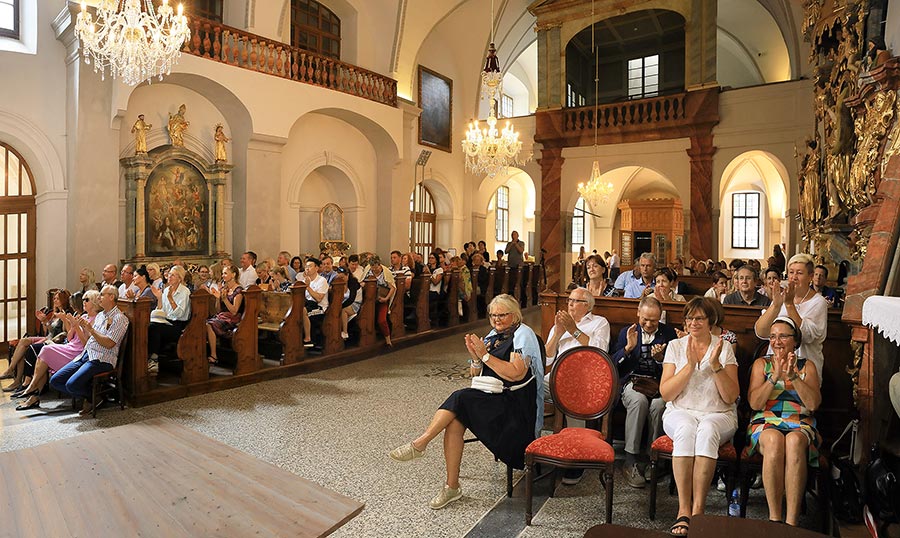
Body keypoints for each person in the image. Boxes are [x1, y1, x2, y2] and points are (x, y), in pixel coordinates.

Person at [389, 294, 542, 509]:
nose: (496, 320)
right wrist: (477, 357)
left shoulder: (523, 334)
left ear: (515, 315)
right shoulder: (493, 335)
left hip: (514, 407)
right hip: (492, 399)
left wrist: (486, 356)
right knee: (455, 419)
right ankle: (452, 486)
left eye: (502, 315)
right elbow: (474, 373)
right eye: (492, 315)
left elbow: (516, 374)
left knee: (460, 398)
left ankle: (421, 443)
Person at [660, 297, 740, 536]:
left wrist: (715, 365)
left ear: (710, 321)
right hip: (680, 411)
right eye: (689, 318)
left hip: (718, 413)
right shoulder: (675, 346)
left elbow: (730, 396)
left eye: (699, 318)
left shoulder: (723, 347)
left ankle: (699, 510)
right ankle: (683, 510)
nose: (693, 323)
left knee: (707, 430)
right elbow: (666, 393)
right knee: (685, 429)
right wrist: (689, 366)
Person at [746, 317, 821, 526]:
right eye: (772, 337)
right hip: (766, 420)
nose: (776, 341)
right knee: (773, 440)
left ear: (795, 341)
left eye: (782, 336)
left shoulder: (808, 367)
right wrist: (774, 377)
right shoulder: (762, 364)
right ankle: (774, 519)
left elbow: (813, 404)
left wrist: (794, 378)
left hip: (800, 422)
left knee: (795, 442)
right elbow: (754, 404)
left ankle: (791, 522)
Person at [544, 286, 610, 484]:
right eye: (569, 301)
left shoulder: (600, 323)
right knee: (530, 386)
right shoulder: (559, 324)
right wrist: (557, 333)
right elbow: (546, 360)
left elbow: (600, 352)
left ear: (588, 306)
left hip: (584, 380)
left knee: (574, 391)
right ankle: (532, 441)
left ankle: (576, 460)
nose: (570, 304)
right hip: (554, 378)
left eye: (575, 301)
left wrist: (573, 330)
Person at [612, 296, 679, 488]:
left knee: (659, 405)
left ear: (660, 318)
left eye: (654, 320)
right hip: (633, 382)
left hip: (659, 383)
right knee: (638, 401)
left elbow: (675, 368)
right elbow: (614, 366)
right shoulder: (628, 332)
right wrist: (627, 349)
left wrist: (660, 360)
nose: (649, 324)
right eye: (645, 319)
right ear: (638, 313)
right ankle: (631, 460)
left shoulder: (669, 335)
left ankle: (653, 459)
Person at [49, 285, 129, 416]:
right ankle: (92, 396)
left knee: (71, 385)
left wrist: (91, 330)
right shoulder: (100, 316)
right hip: (86, 354)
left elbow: (109, 343)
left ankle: (94, 397)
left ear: (112, 297)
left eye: (102, 295)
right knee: (55, 380)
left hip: (102, 358)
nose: (99, 297)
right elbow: (88, 341)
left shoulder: (120, 318)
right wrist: (79, 327)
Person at [15, 290, 101, 411]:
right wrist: (72, 324)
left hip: (79, 351)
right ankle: (33, 392)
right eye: (83, 300)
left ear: (94, 302)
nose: (84, 303)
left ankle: (33, 389)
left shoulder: (96, 319)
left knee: (45, 351)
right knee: (44, 354)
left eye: (86, 300)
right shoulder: (83, 316)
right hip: (70, 346)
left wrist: (76, 326)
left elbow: (85, 344)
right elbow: (70, 337)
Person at [755, 253, 828, 382]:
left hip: (805, 366)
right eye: (791, 272)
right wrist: (776, 305)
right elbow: (761, 332)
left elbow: (807, 337)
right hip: (776, 366)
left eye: (799, 273)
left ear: (810, 277)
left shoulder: (818, 302)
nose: (794, 277)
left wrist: (789, 305)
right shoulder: (782, 296)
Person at [1, 289, 73, 393]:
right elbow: (47, 331)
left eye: (58, 298)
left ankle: (19, 379)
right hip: (48, 337)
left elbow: (64, 333)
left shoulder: (67, 314)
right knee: (23, 341)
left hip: (55, 341)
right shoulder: (54, 313)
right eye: (54, 298)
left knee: (26, 350)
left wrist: (63, 319)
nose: (55, 300)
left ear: (64, 300)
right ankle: (13, 372)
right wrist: (44, 321)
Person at [147, 265, 191, 372]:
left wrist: (171, 299)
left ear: (180, 278)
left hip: (178, 325)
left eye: (173, 275)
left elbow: (180, 314)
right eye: (169, 275)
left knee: (154, 328)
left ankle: (154, 360)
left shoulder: (185, 292)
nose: (169, 277)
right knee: (149, 326)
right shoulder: (166, 290)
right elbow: (162, 311)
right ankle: (150, 357)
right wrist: (159, 298)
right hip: (166, 321)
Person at [206, 265, 244, 365]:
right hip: (222, 316)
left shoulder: (238, 291)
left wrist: (225, 299)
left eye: (225, 273)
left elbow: (234, 311)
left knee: (209, 325)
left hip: (233, 318)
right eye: (222, 273)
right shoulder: (224, 289)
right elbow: (218, 310)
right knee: (205, 323)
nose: (223, 275)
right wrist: (218, 298)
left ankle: (214, 355)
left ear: (234, 274)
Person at [367, 257, 396, 347]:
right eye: (372, 267)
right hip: (370, 299)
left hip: (382, 298)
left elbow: (392, 288)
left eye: (376, 267)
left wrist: (386, 298)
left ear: (379, 265)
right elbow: (362, 281)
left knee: (381, 320)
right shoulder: (368, 271)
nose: (375, 269)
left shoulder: (385, 272)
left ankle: (388, 339)